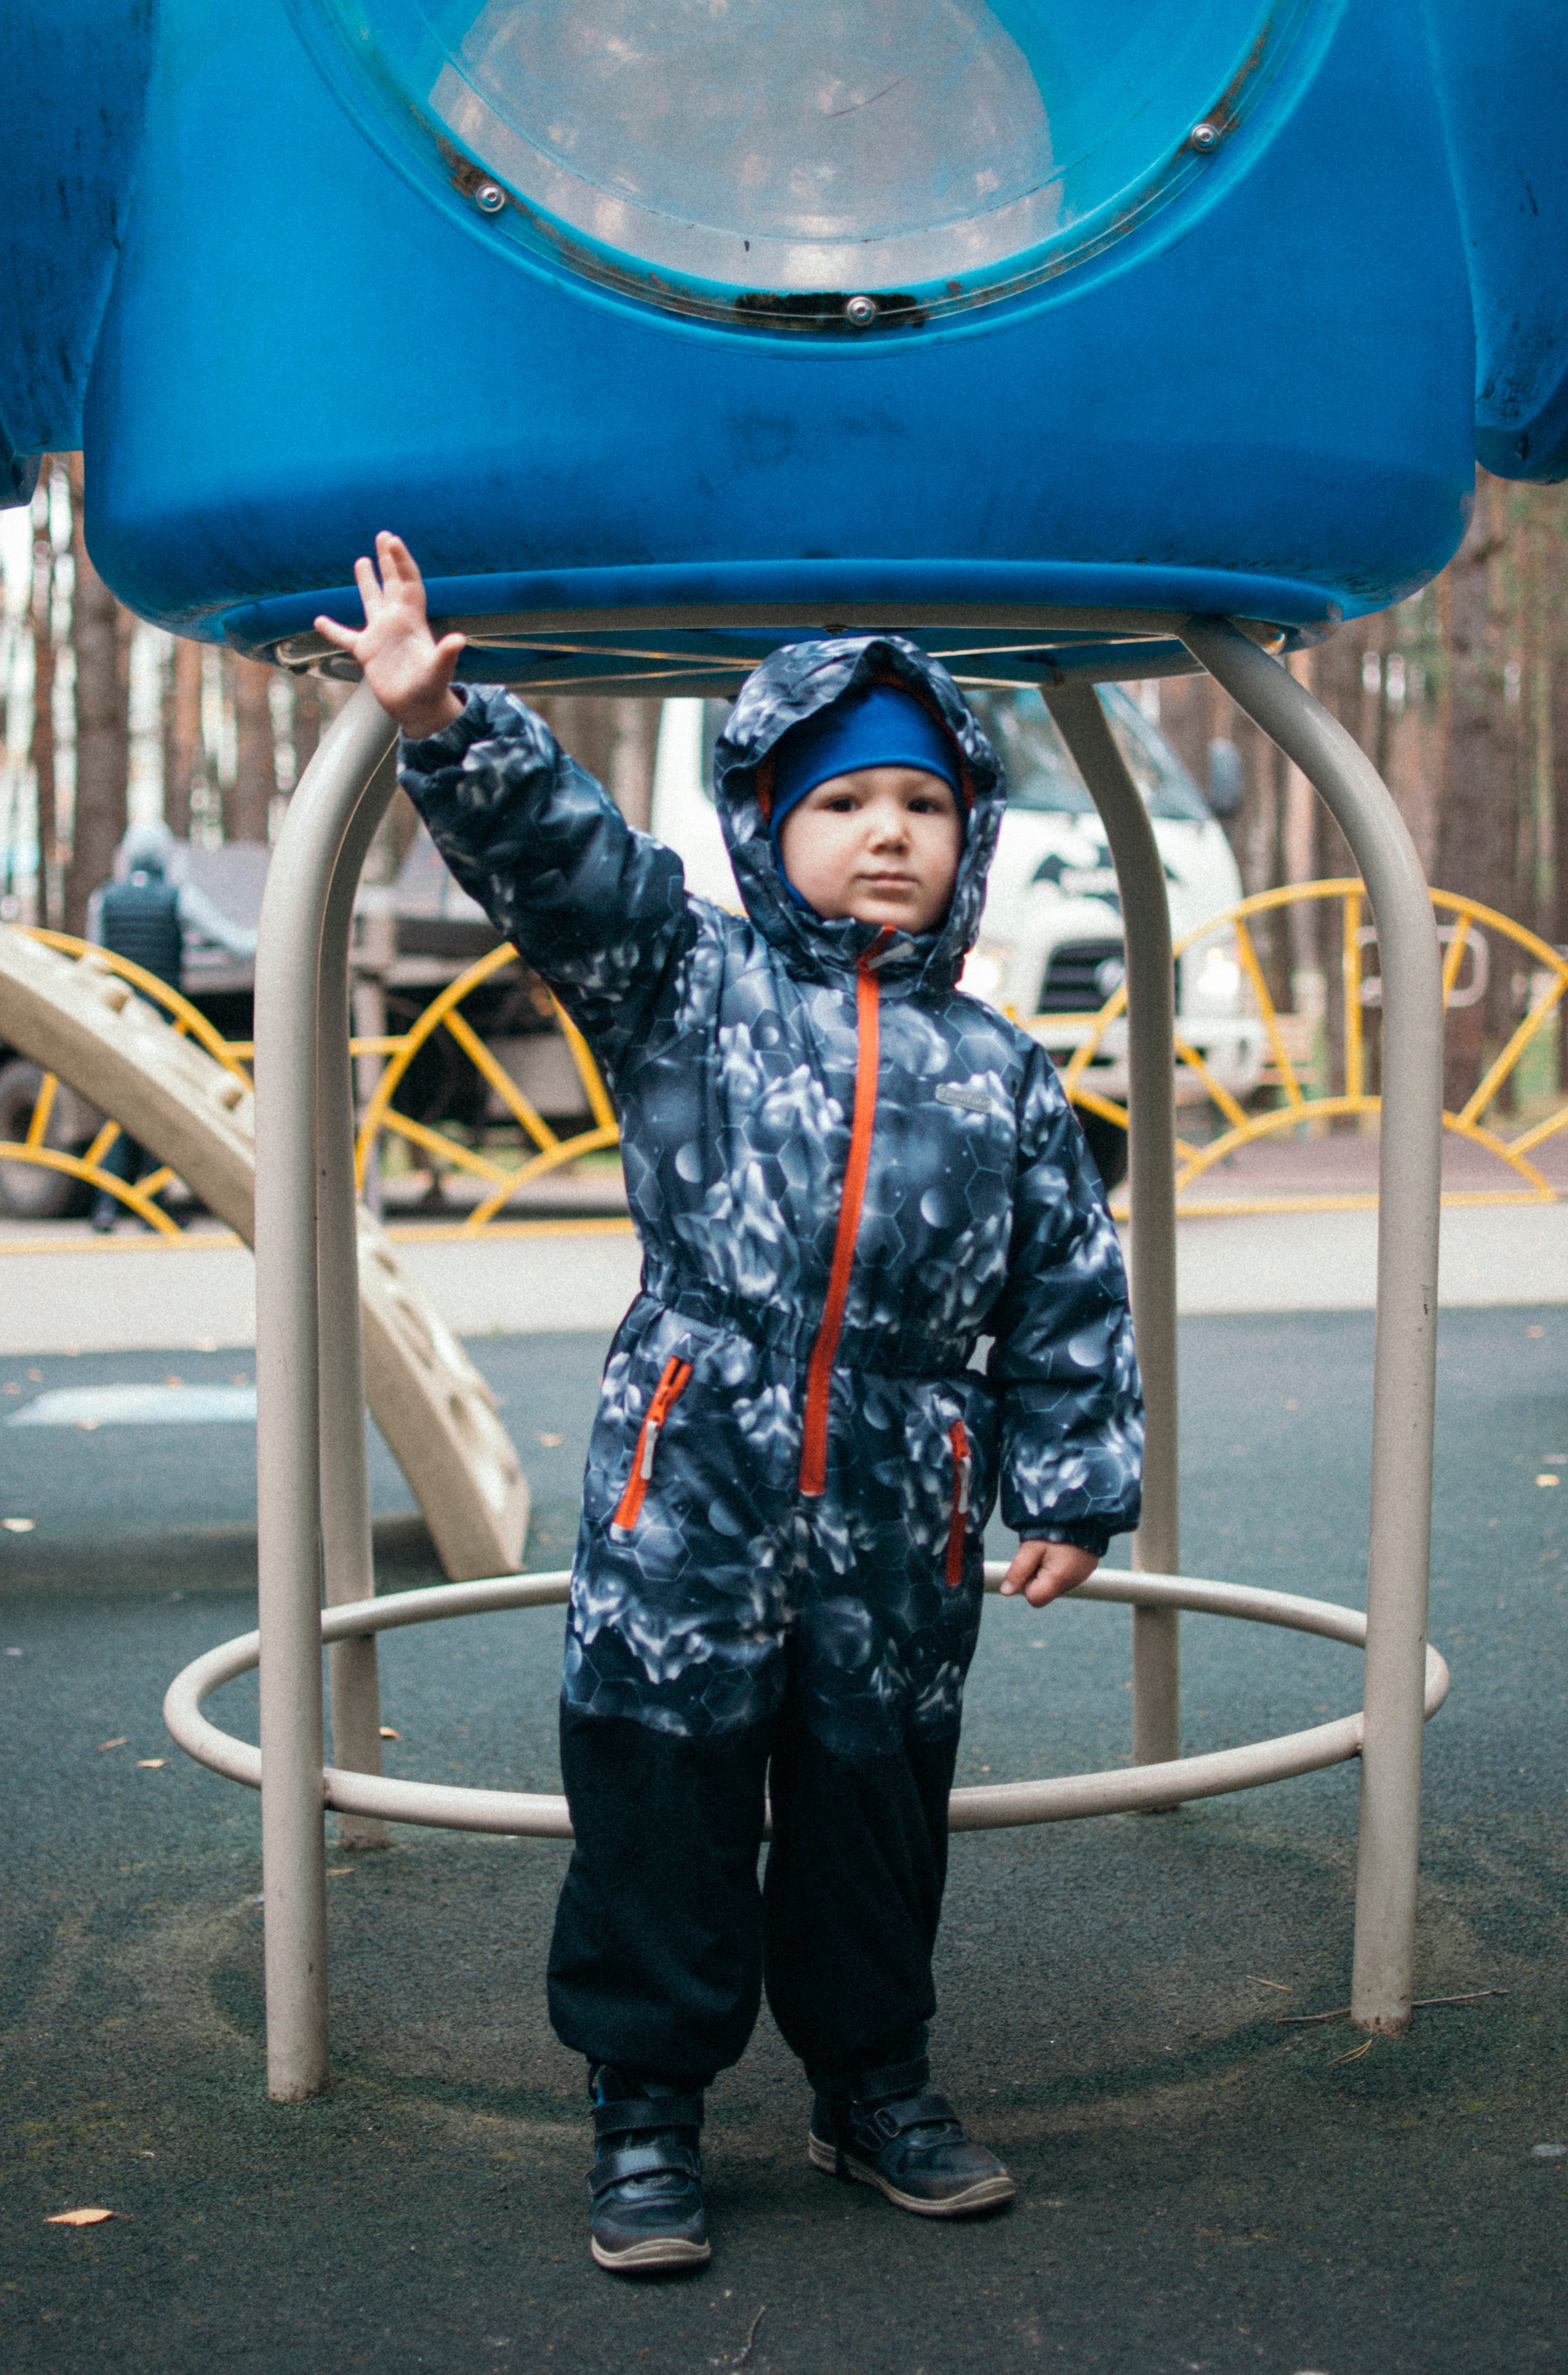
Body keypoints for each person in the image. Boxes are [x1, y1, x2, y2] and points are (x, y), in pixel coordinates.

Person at [317, 534, 1143, 2276]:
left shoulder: (1000, 1071)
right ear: (766, 823)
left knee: (870, 1818)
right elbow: (564, 864)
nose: (891, 831)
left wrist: (1072, 1478)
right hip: (687, 1491)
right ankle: (644, 2108)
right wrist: (445, 717)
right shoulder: (685, 983)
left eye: (925, 801)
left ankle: (876, 2084)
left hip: (897, 1515)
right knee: (660, 1813)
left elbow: (1065, 1283)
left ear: (970, 838)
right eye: (847, 803)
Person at [85, 820, 259, 1229]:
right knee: (162, 1102)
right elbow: (235, 944)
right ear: (165, 857)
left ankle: (107, 1207)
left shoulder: (104, 900)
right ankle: (154, 1204)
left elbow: (96, 958)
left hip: (121, 1020)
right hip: (161, 1023)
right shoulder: (178, 898)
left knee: (122, 1107)